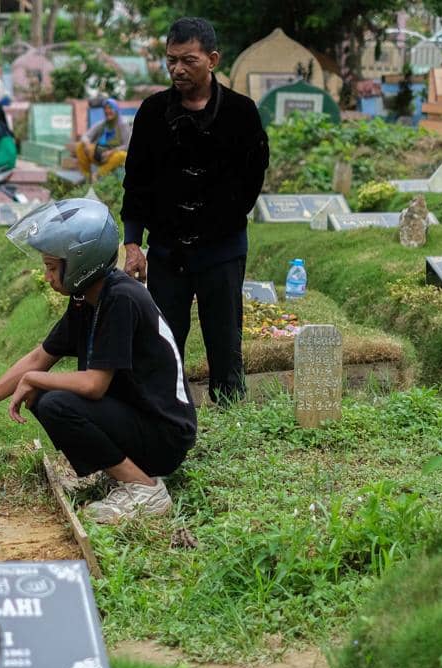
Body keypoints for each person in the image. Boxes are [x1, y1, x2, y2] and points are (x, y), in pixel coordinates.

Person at [0, 198, 196, 524]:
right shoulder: (87, 297)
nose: (47, 276)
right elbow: (39, 357)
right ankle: (124, 473)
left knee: (53, 401)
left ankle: (144, 489)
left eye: (52, 267)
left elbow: (94, 386)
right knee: (43, 395)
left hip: (165, 434)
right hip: (138, 418)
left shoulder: (120, 298)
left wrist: (36, 380)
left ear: (82, 264)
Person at [121, 17, 269, 405]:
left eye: (188, 60)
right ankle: (167, 416)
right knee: (164, 341)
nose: (177, 69)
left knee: (225, 340)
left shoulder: (242, 113)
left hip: (222, 249)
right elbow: (135, 180)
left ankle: (232, 416)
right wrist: (133, 243)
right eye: (171, 60)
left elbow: (251, 183)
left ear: (213, 59)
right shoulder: (153, 112)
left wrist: (211, 225)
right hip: (168, 251)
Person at [74, 98, 129, 181]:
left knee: (123, 155)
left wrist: (111, 152)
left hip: (113, 156)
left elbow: (127, 146)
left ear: (116, 110)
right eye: (105, 109)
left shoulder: (123, 126)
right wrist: (87, 144)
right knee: (80, 146)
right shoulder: (102, 124)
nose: (107, 111)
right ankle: (86, 177)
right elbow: (85, 136)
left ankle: (97, 174)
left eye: (110, 108)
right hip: (99, 153)